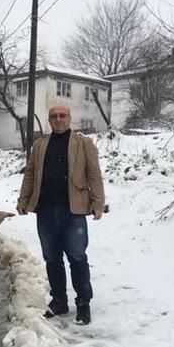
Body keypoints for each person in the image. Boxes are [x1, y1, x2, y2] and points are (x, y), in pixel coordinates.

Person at [17, 105, 105, 325]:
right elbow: (30, 174)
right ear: (49, 120)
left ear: (69, 118)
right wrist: (23, 200)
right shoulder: (40, 145)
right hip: (45, 210)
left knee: (77, 257)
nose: (58, 120)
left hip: (73, 210)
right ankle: (59, 300)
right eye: (54, 117)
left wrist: (98, 203)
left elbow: (94, 174)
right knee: (52, 258)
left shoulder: (83, 144)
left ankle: (83, 304)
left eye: (62, 116)